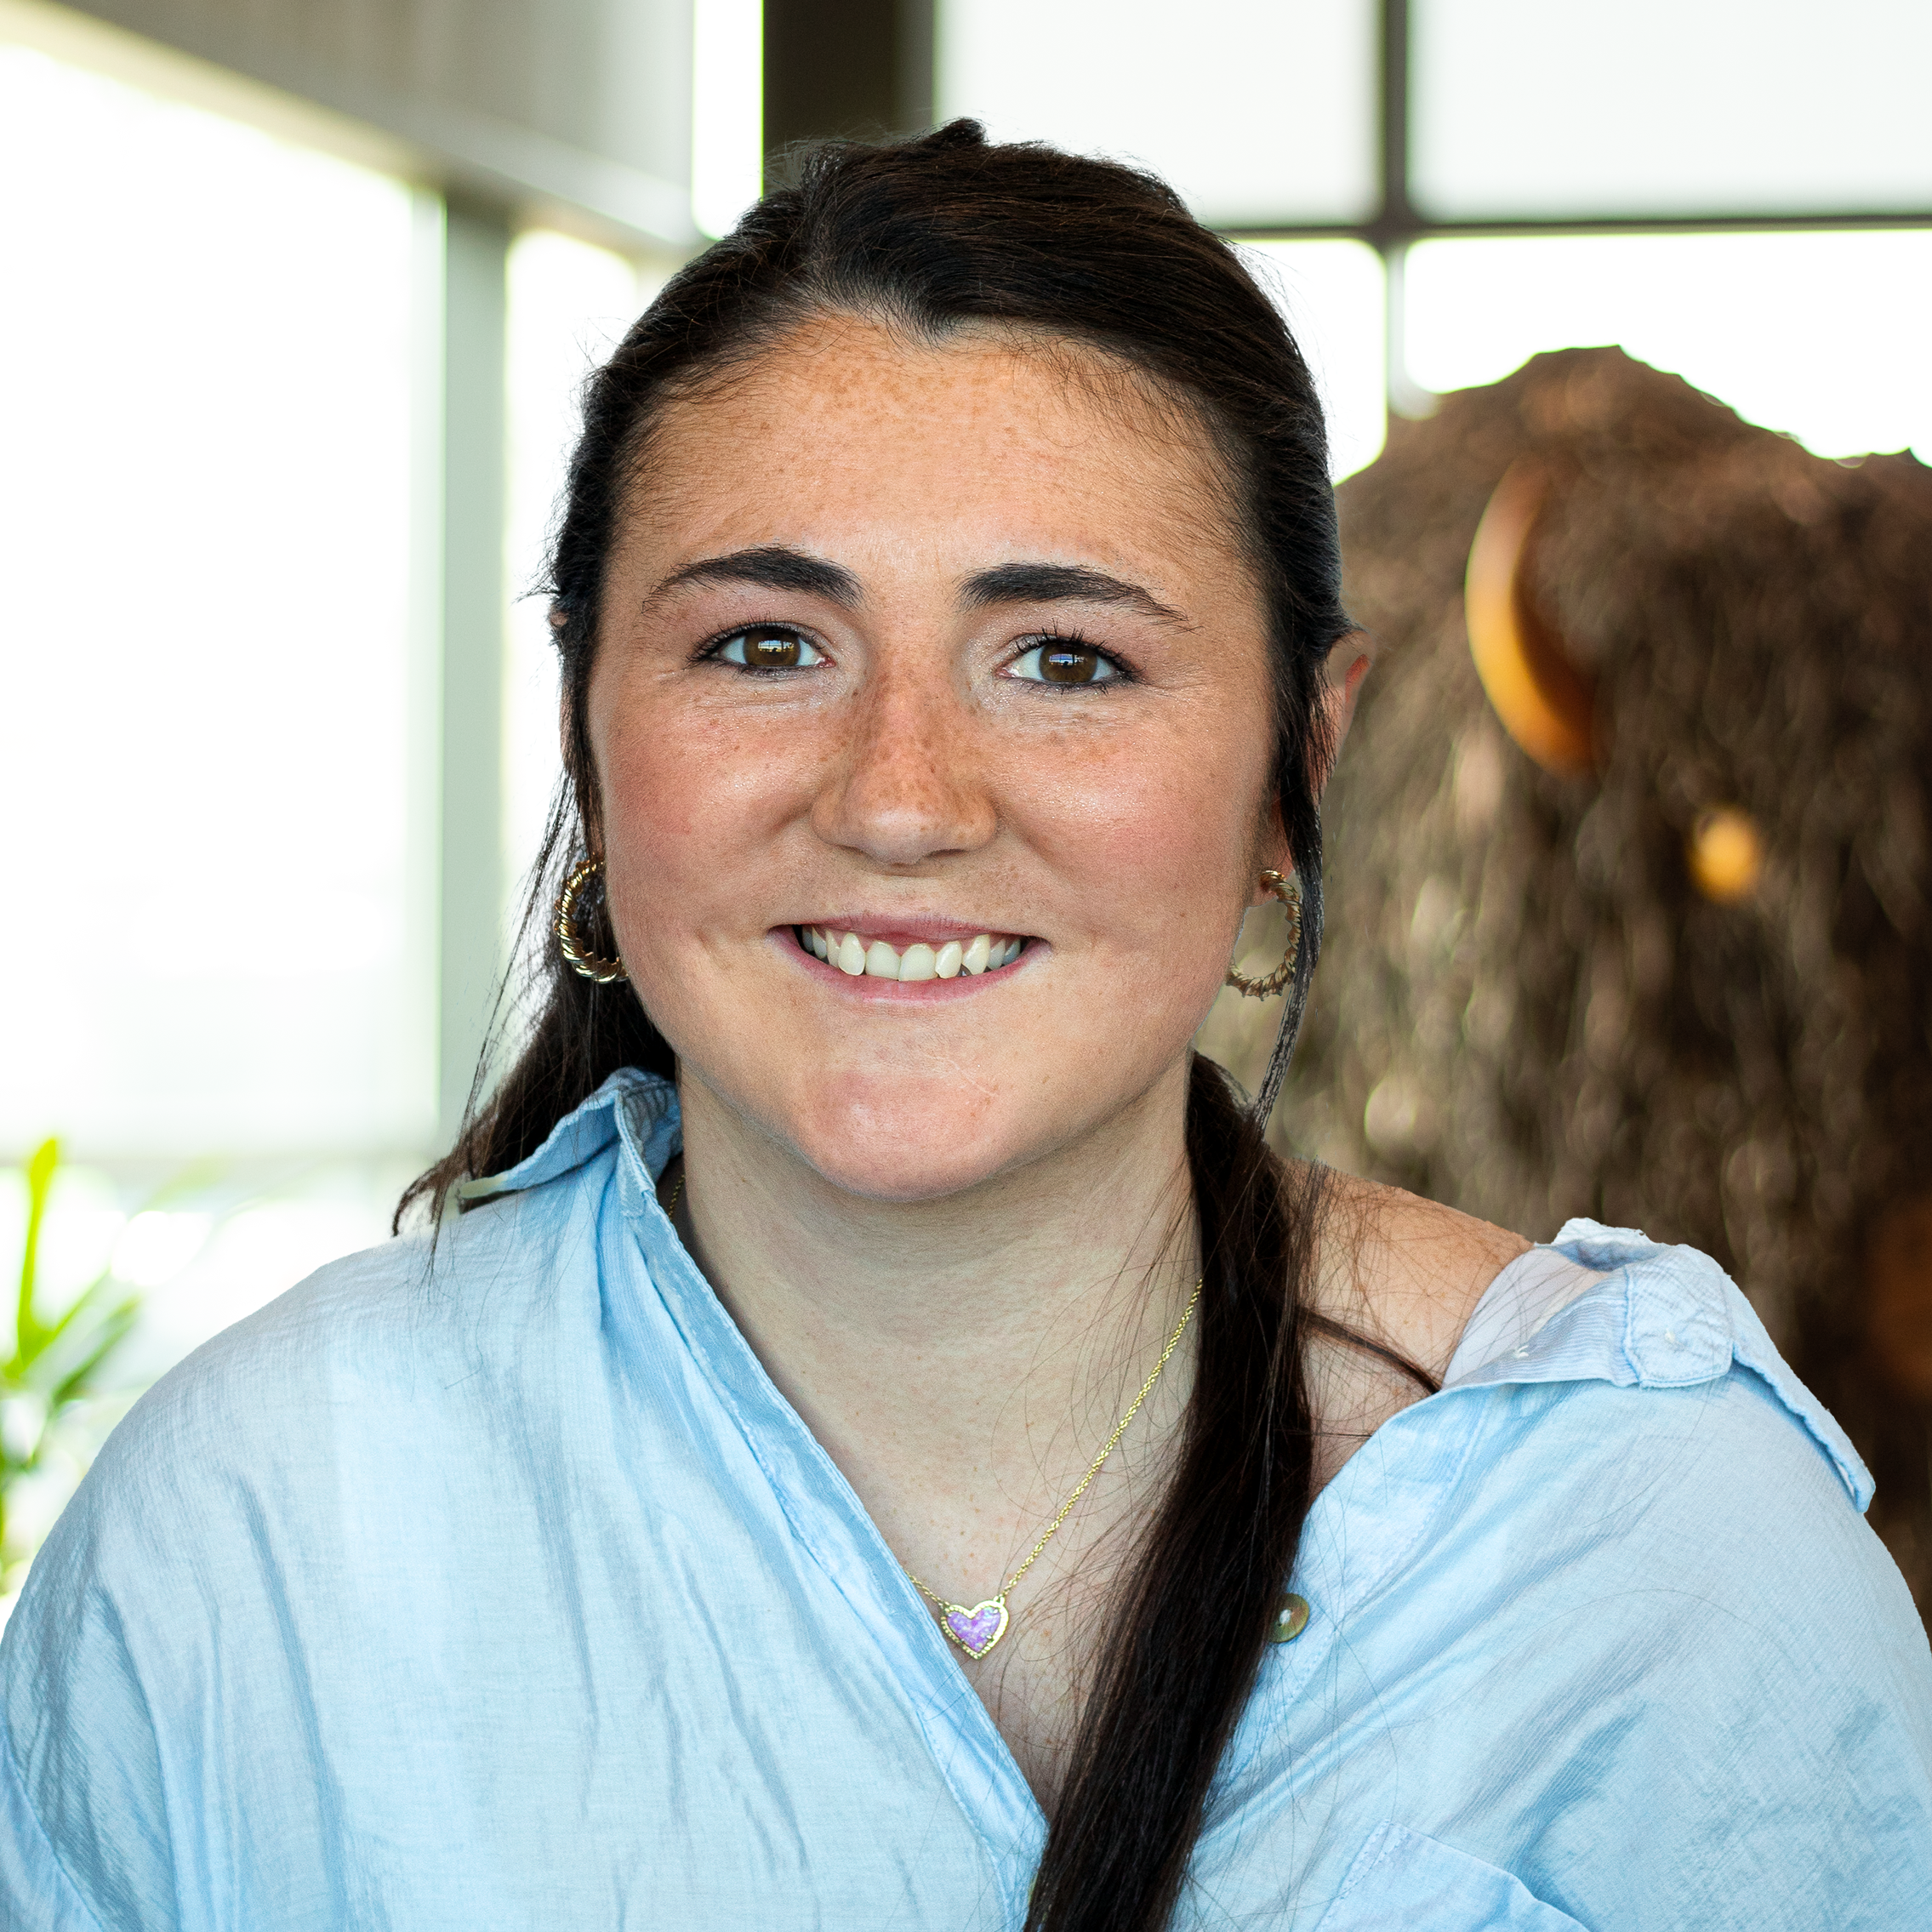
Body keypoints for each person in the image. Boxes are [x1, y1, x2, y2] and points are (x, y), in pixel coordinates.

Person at [3, 124, 1929, 1932]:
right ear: (592, 738)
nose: (903, 795)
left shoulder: (1651, 1550)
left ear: (1293, 774)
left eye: (1066, 659)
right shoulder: (253, 1534)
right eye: (765, 645)